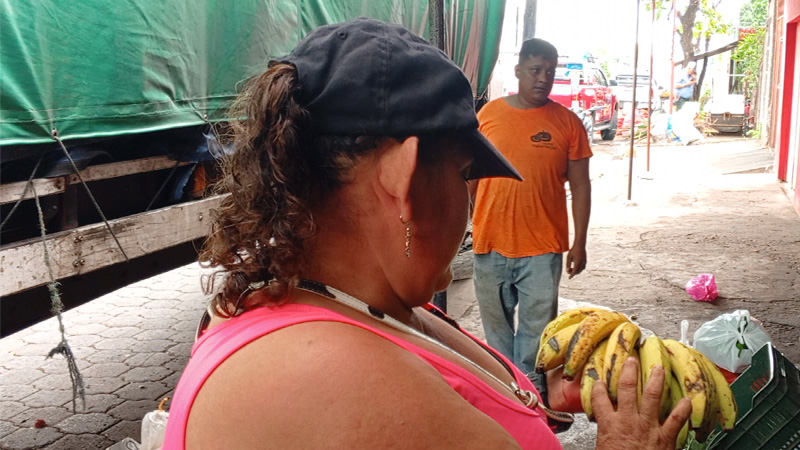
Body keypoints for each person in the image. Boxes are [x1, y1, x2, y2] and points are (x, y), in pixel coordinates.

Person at [162, 18, 689, 449]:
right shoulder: (332, 375)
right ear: (406, 181)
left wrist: (531, 394)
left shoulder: (365, 302)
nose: (468, 197)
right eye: (464, 175)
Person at [471, 38, 592, 381]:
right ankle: (506, 391)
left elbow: (581, 185)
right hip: (489, 243)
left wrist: (579, 242)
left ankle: (532, 398)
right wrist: (466, 222)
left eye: (550, 72)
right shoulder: (488, 115)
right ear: (519, 70)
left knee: (536, 338)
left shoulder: (568, 123)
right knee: (496, 336)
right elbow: (470, 177)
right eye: (536, 70)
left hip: (543, 248)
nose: (543, 78)